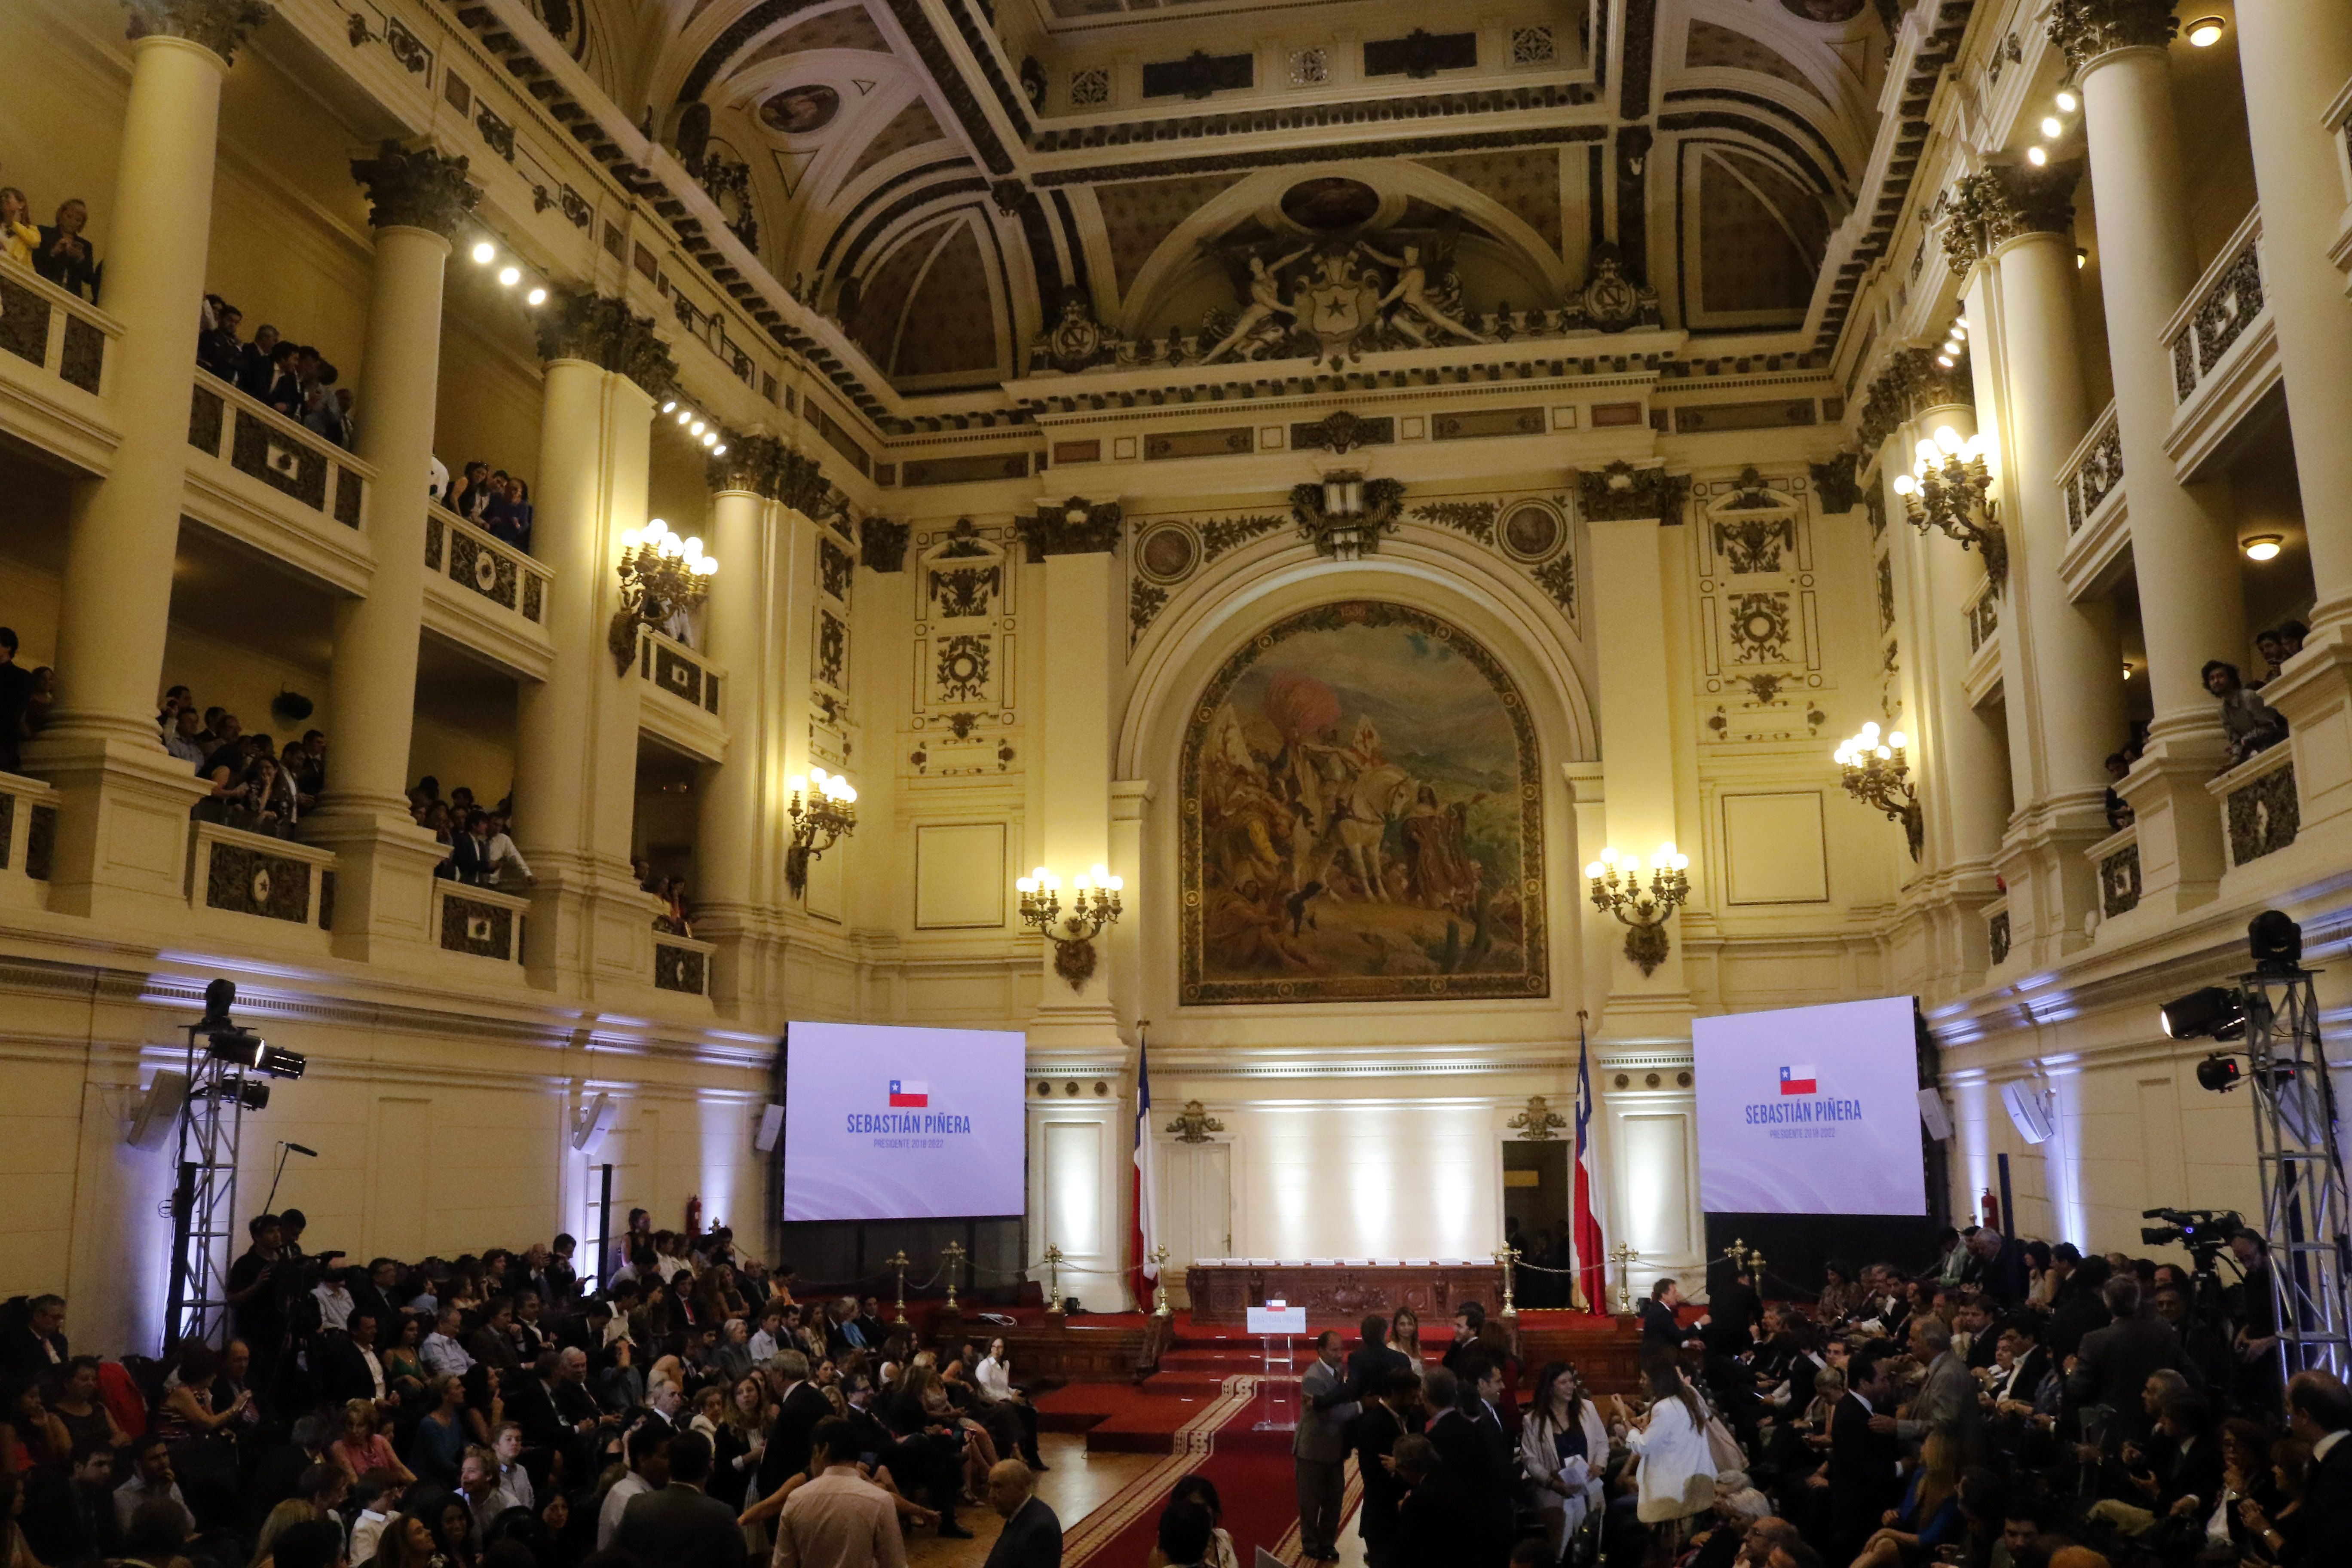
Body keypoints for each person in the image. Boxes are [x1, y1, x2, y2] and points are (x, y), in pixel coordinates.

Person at [2063, 1274, 2188, 1448]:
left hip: (2112, 1431)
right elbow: (2189, 1375)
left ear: (2107, 1302)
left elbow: (2079, 1389)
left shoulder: (2094, 1340)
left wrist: (2071, 1370)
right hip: (2158, 1426)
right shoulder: (2164, 1333)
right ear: (2137, 1301)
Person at [770, 1415, 906, 1568]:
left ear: (823, 1449)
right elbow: (895, 1564)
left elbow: (782, 1565)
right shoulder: (880, 1499)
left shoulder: (796, 1499)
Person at [614, 1430, 741, 1568]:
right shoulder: (721, 1514)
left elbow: (615, 1557)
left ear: (670, 1464)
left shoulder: (637, 1505)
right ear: (708, 1468)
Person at [1520, 1360, 1607, 1559]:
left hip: (1589, 1487)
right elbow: (1530, 1460)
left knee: (1589, 1546)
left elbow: (1602, 1443)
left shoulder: (1588, 1409)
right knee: (1562, 1547)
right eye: (1564, 1382)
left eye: (1572, 1381)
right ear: (1550, 1387)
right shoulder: (1533, 1420)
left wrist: (1599, 1466)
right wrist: (1553, 1482)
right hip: (1556, 1493)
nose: (1571, 1386)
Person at [1293, 1330, 1357, 1562]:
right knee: (1310, 1504)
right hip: (1312, 1451)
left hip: (1334, 1449)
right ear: (1321, 1351)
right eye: (1335, 1350)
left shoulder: (1339, 1371)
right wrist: (1362, 1407)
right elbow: (1330, 1414)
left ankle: (1328, 1543)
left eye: (1342, 1349)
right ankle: (1311, 1544)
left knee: (1334, 1499)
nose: (1341, 1355)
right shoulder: (1313, 1377)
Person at [596, 1419, 669, 1551]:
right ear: (643, 1460)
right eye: (665, 1456)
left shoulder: (635, 1493)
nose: (672, 1463)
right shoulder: (628, 1499)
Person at [2205, 660, 2290, 766]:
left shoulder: (2249, 697)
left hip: (2278, 748)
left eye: (2220, 676)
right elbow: (2236, 742)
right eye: (2212, 679)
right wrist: (2234, 761)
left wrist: (2246, 740)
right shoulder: (2223, 712)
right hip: (2257, 756)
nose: (2216, 681)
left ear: (2231, 679)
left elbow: (2270, 726)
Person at [979, 1459, 1058, 1568]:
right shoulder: (1021, 1512)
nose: (991, 1496)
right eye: (991, 1487)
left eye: (998, 1487)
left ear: (1021, 1488)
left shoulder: (1040, 1531)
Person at [32, 199, 99, 300]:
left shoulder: (85, 246)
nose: (72, 222)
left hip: (72, 296)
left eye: (78, 220)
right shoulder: (44, 233)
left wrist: (80, 259)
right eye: (69, 216)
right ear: (61, 215)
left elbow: (89, 278)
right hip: (45, 290)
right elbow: (35, 262)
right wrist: (54, 252)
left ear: (82, 224)